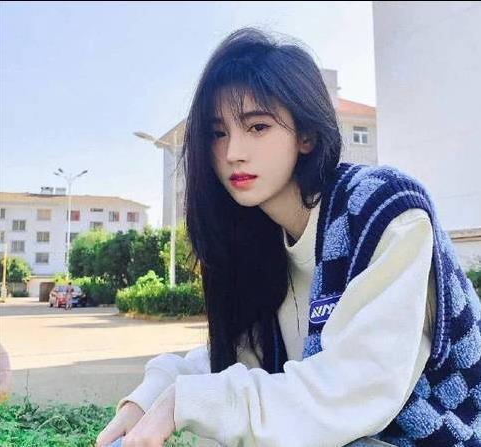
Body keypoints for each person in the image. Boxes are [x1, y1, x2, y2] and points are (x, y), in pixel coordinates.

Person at [96, 27, 481, 447]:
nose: (232, 153)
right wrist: (156, 393)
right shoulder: (260, 243)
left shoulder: (383, 210)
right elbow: (239, 358)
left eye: (257, 126)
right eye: (218, 133)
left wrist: (186, 403)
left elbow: (354, 388)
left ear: (306, 135)